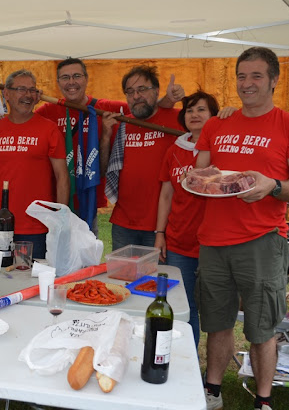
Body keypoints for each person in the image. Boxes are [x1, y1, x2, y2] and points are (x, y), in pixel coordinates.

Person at [195, 47, 289, 410]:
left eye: (256, 76)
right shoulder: (217, 124)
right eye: (242, 76)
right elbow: (200, 173)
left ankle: (264, 400)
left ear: (274, 80)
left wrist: (272, 185)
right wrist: (195, 177)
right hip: (213, 240)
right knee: (217, 323)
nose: (247, 84)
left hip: (261, 241)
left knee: (262, 328)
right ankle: (212, 391)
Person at [35, 58, 185, 233]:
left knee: (86, 253)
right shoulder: (47, 111)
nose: (71, 82)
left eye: (77, 76)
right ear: (58, 82)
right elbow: (24, 123)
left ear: (86, 78)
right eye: (65, 77)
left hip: (87, 197)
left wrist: (168, 99)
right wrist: (30, 98)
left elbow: (142, 109)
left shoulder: (106, 108)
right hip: (54, 198)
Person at [0, 69, 69, 259]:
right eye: (21, 89)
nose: (28, 95)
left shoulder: (49, 129)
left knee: (33, 280)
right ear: (6, 93)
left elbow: (62, 177)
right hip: (0, 222)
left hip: (38, 225)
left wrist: (61, 219)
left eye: (32, 90)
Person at [153, 90, 220, 350]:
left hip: (213, 242)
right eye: (190, 109)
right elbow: (166, 194)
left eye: (202, 109)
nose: (194, 114)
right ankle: (183, 356)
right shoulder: (175, 150)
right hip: (180, 240)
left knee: (213, 310)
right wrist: (160, 233)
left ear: (214, 116)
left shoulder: (220, 147)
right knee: (183, 305)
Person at [100, 65, 186, 251]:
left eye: (142, 89)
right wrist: (106, 134)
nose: (136, 96)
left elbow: (207, 125)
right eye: (130, 92)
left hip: (161, 225)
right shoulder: (122, 124)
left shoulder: (179, 119)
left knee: (157, 279)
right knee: (122, 279)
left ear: (156, 91)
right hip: (123, 223)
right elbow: (104, 169)